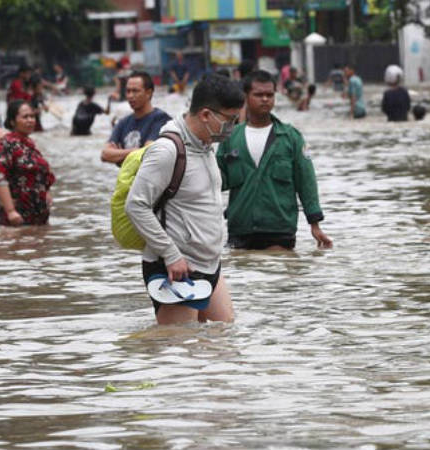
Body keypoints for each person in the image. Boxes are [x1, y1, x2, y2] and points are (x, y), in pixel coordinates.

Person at [126, 74, 243, 325]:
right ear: (205, 115)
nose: (232, 127)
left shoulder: (207, 146)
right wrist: (170, 255)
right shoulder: (167, 150)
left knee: (224, 338)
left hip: (210, 263)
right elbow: (136, 205)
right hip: (177, 268)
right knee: (178, 351)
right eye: (229, 120)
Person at [217, 70, 333, 252]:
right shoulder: (230, 138)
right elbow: (214, 181)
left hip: (279, 228)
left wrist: (315, 225)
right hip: (240, 228)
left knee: (277, 273)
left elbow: (306, 181)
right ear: (246, 97)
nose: (265, 99)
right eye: (259, 95)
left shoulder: (291, 138)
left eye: (269, 95)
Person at [0, 100, 55, 226]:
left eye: (32, 116)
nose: (31, 120)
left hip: (37, 217)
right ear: (12, 121)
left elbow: (41, 175)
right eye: (25, 117)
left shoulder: (29, 144)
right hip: (17, 218)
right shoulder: (6, 144)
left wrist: (47, 193)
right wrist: (10, 211)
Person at [101, 71, 171, 165]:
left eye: (135, 91)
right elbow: (105, 154)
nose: (130, 96)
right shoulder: (123, 122)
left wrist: (119, 154)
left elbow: (148, 154)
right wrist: (136, 151)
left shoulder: (161, 120)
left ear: (148, 93)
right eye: (128, 91)